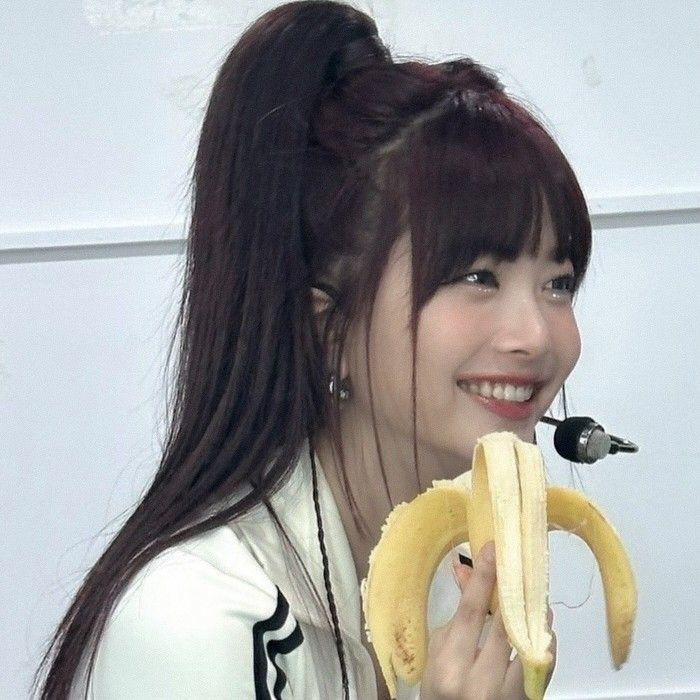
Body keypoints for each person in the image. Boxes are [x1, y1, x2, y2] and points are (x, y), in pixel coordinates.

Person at [35, 1, 591, 698]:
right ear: (327, 326)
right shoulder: (194, 622)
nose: (536, 336)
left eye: (558, 283)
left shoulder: (450, 581)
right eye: (478, 276)